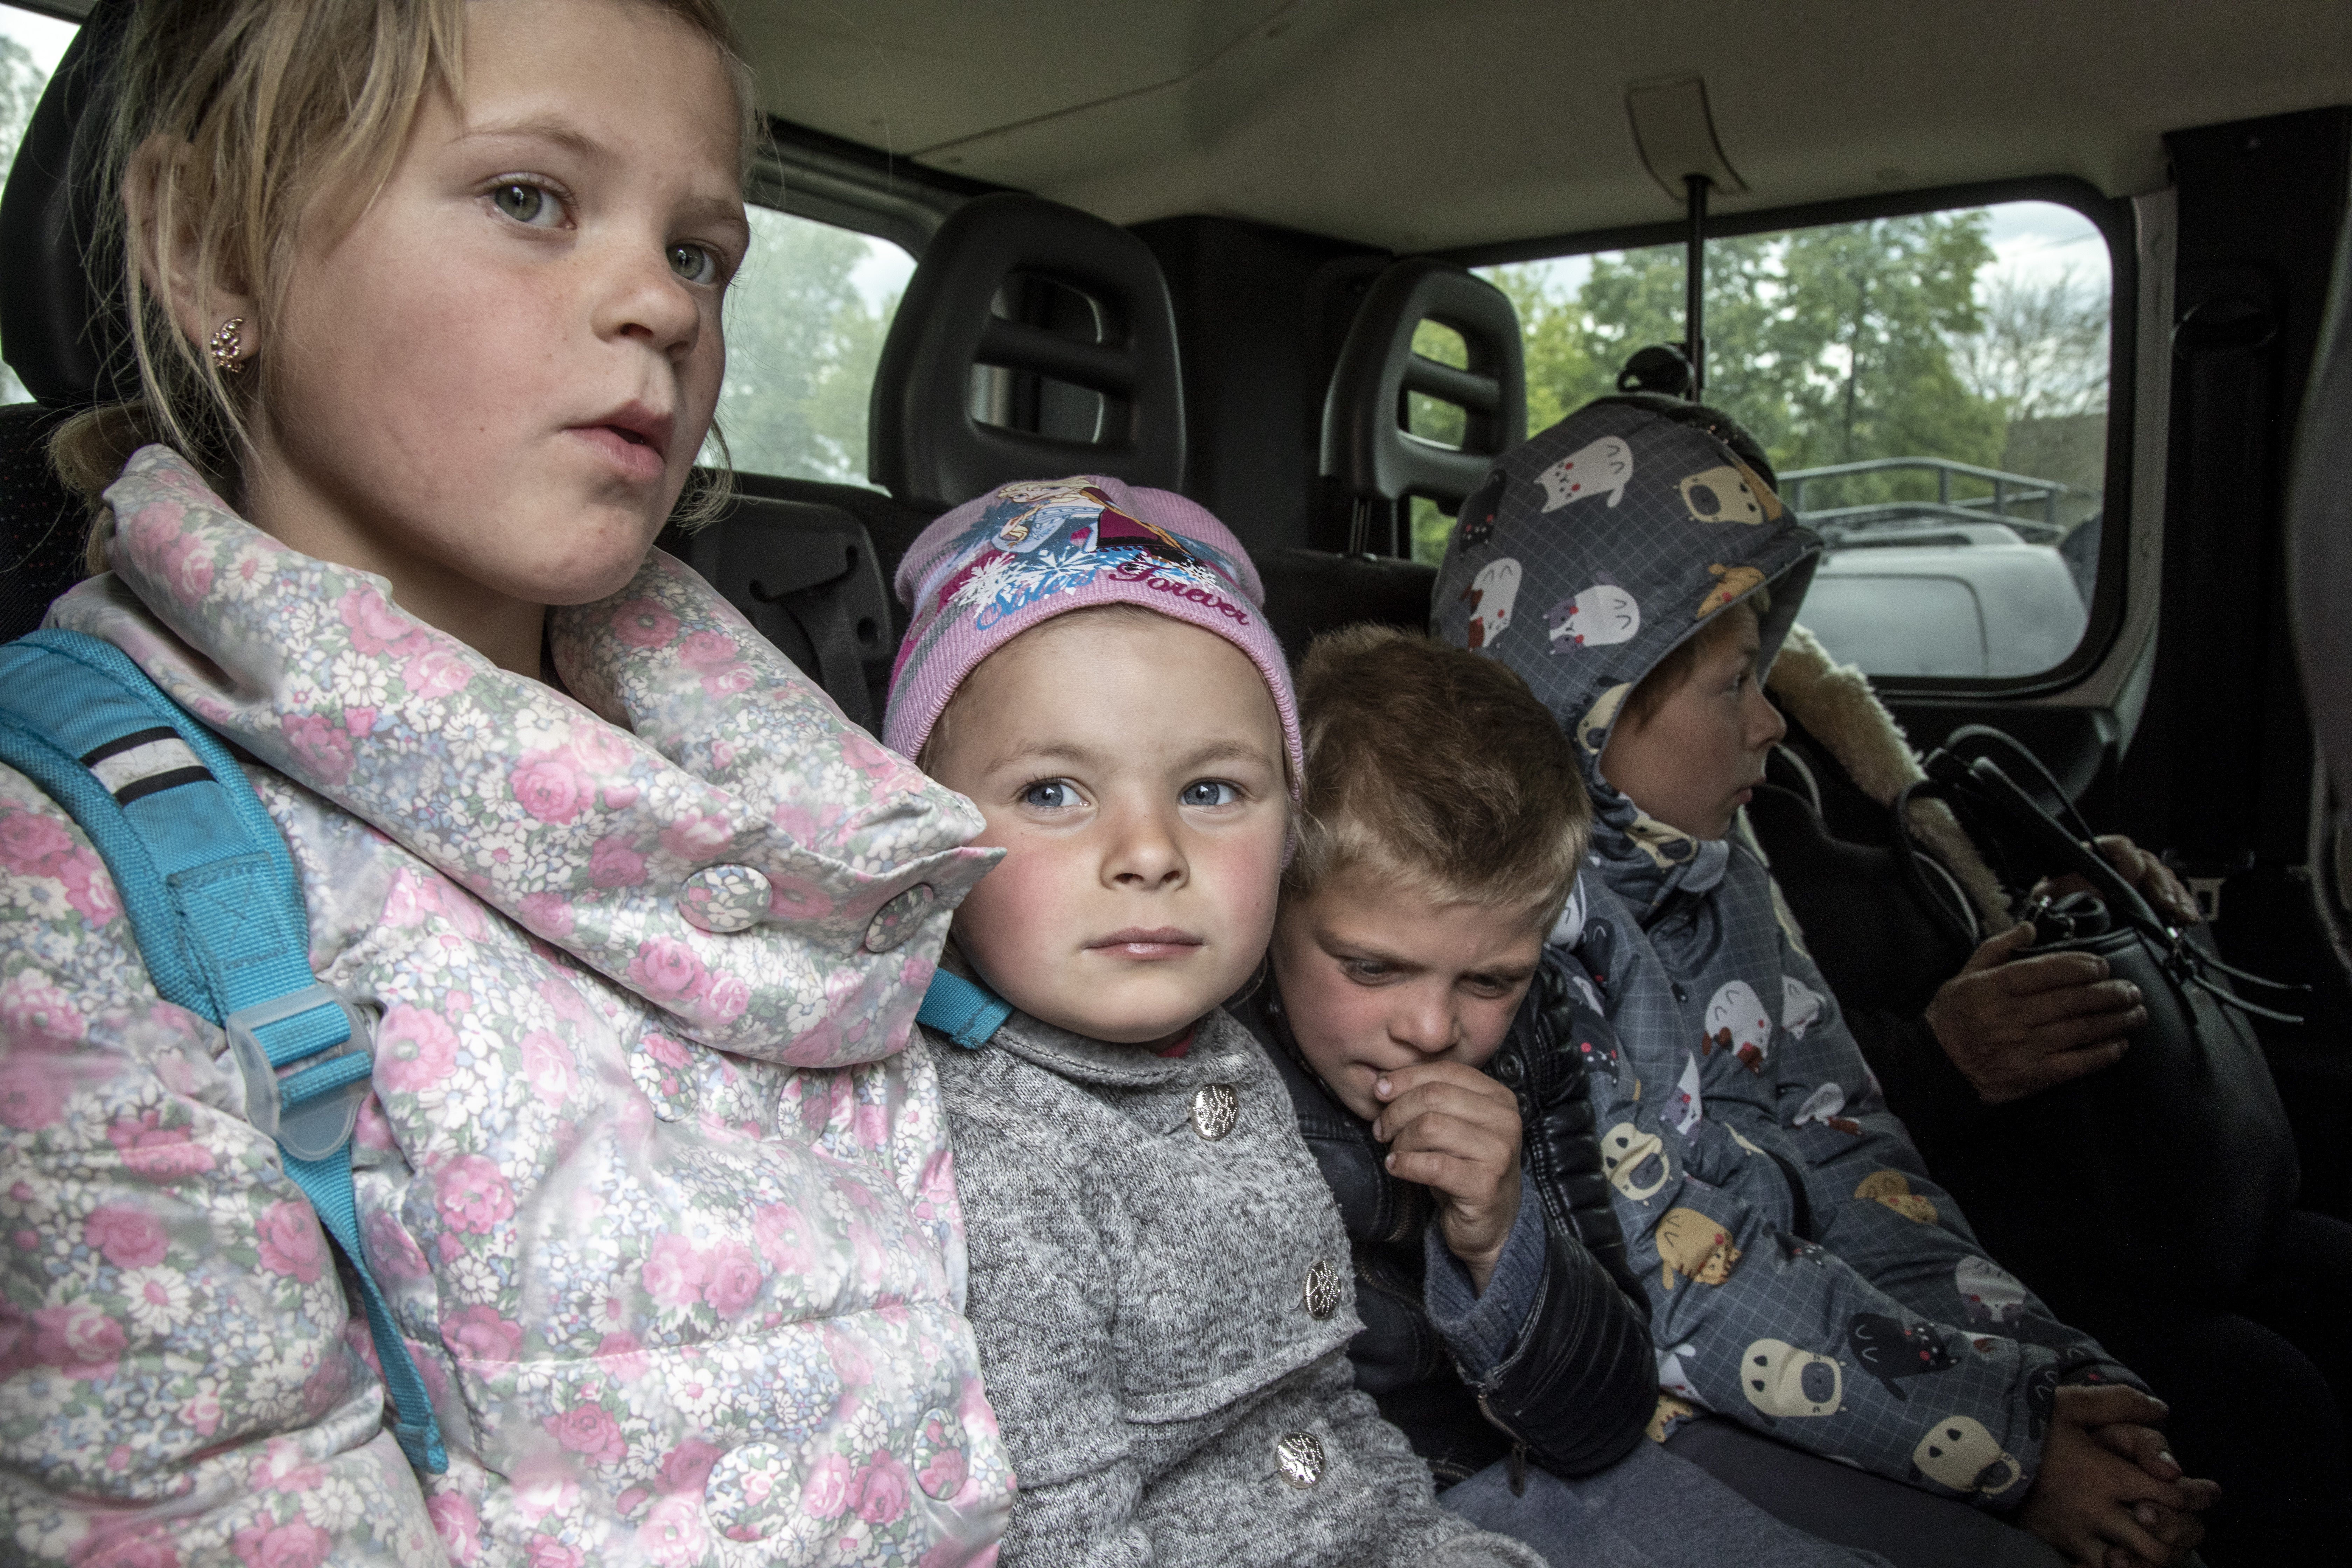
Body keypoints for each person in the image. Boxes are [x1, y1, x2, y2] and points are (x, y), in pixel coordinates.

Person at [0, 1, 1013, 1561]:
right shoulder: (78, 873)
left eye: (701, 255)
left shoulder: (805, 795)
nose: (661, 308)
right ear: (208, 249)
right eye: (531, 199)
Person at [1432, 399, 2219, 1568]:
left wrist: (2041, 1370)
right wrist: (2007, 1440)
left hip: (1822, 1333)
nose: (1774, 726)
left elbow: (1854, 1150)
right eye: (1735, 685)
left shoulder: (1719, 865)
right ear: (1599, 702)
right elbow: (1680, 1277)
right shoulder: (1533, 939)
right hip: (1660, 1378)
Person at [882, 475, 1541, 1566]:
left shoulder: (1220, 1061)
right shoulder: (992, 1154)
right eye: (1053, 791)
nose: (1150, 853)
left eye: (1211, 792)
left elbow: (1317, 1397)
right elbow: (1058, 1526)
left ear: (1292, 832)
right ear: (932, 833)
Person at [1237, 624, 1895, 1568]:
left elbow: (1602, 1422)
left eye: (1489, 981)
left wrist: (1503, 1239)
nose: (1431, 1028)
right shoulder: (1206, 1058)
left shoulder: (1532, 1042)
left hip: (1507, 1472)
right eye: (1373, 967)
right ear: (1268, 907)